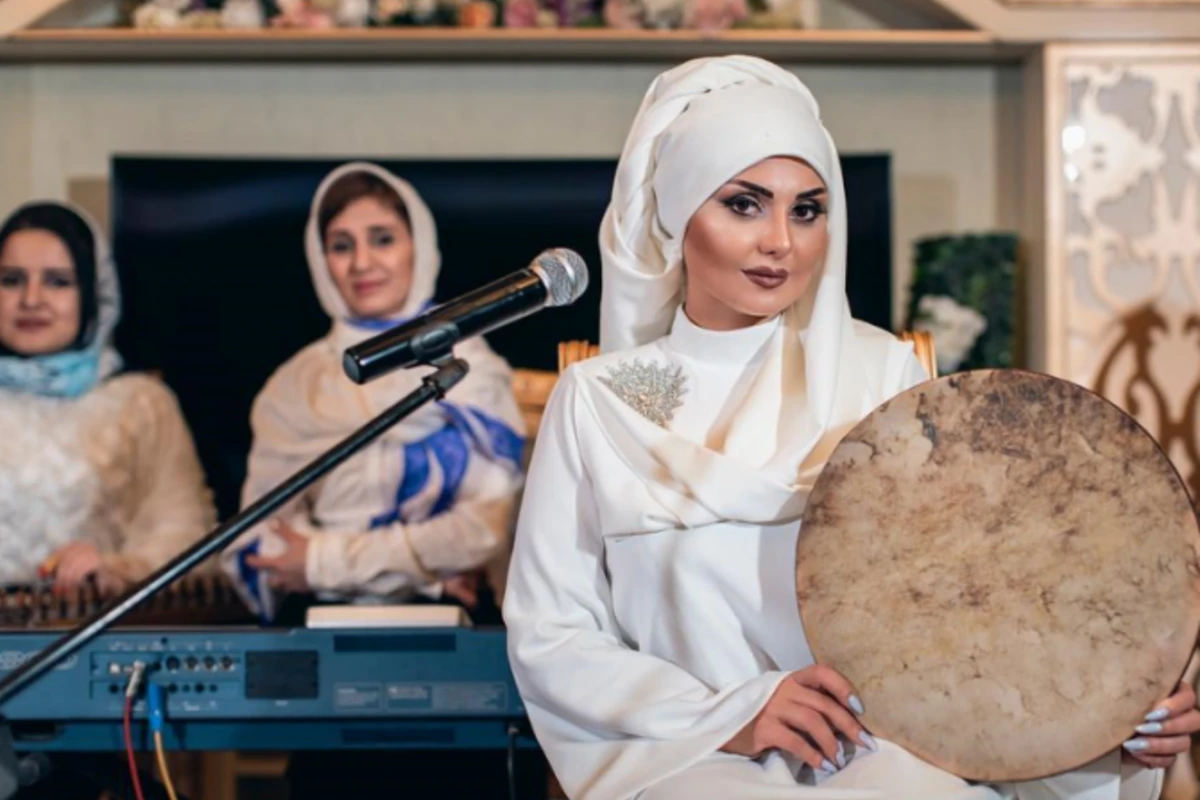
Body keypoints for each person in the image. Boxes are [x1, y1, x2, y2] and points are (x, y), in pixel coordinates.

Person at [502, 56, 1199, 800]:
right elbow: (554, 631)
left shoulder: (885, 378)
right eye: (744, 204)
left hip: (883, 757)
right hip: (689, 758)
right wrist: (733, 713)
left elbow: (977, 606)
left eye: (807, 209)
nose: (782, 241)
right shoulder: (598, 402)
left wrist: (1109, 718)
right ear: (675, 213)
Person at [223, 162, 526, 627]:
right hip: (320, 629)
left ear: (418, 247)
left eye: (383, 239)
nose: (362, 263)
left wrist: (323, 562)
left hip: (454, 622)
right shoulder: (295, 385)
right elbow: (262, 546)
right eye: (341, 246)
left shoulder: (470, 369)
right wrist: (426, 575)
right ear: (320, 260)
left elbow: (487, 529)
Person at [0, 201, 215, 597]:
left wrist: (114, 569)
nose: (31, 299)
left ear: (95, 294)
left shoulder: (140, 404)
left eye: (58, 281)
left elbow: (187, 538)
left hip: (99, 638)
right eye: (12, 280)